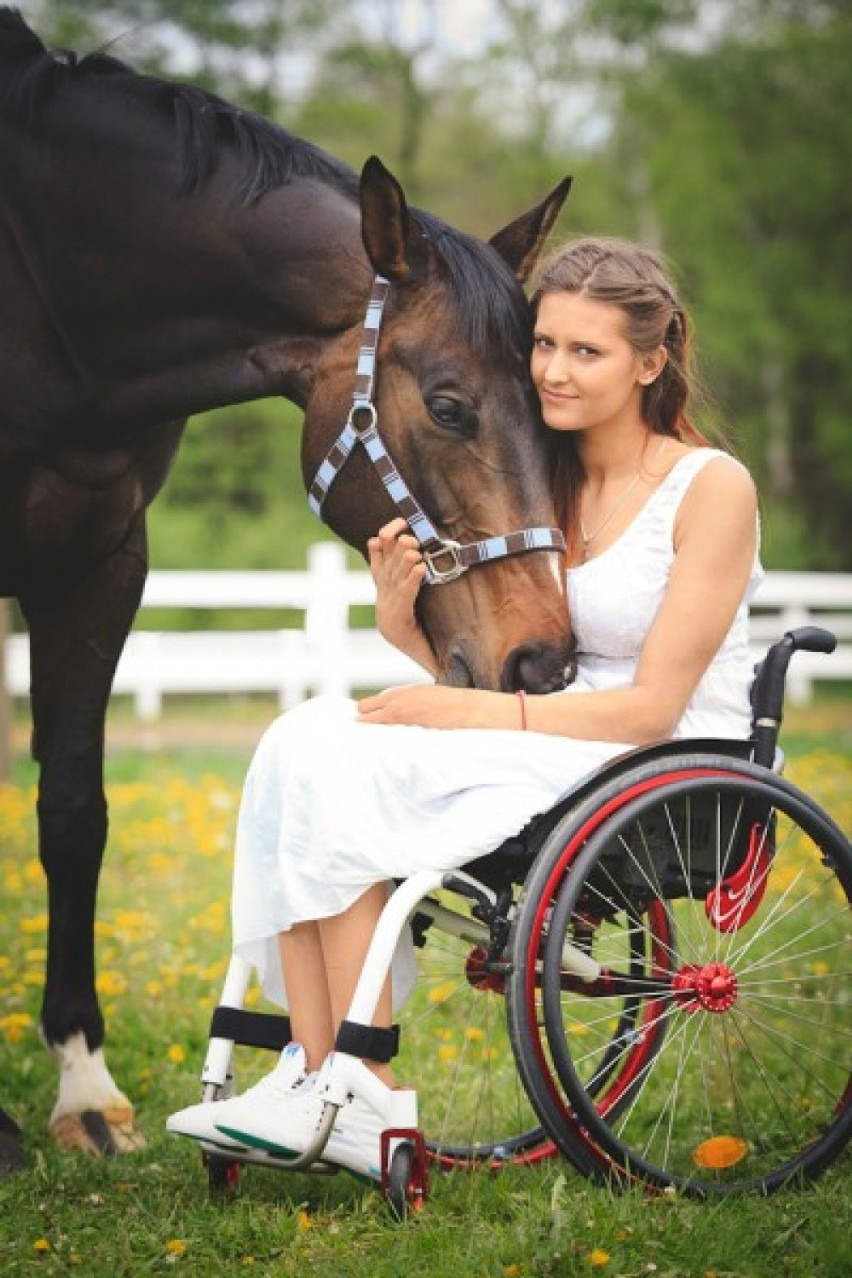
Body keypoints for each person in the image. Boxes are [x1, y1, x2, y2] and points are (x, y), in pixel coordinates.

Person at [167, 236, 762, 1179]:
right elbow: (506, 667)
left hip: (659, 753)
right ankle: (316, 1074)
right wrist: (405, 629)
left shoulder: (708, 488)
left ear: (650, 362)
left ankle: (361, 1084)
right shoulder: (547, 480)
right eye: (545, 345)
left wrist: (467, 717)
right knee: (303, 737)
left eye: (586, 351)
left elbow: (650, 707)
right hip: (555, 731)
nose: (553, 372)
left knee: (350, 756)